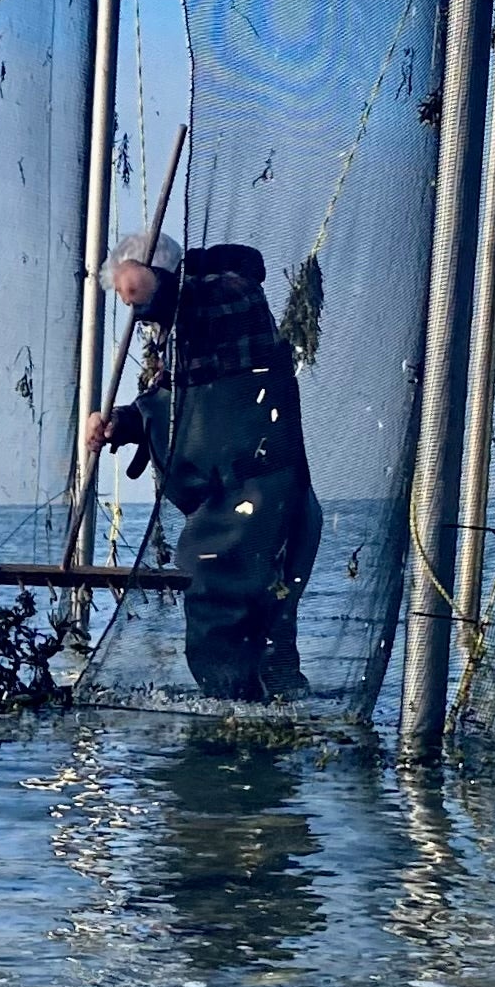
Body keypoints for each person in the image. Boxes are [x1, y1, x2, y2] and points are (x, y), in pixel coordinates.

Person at [83, 228, 321, 699]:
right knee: (256, 620)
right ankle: (263, 713)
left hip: (261, 496)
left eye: (133, 301)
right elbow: (167, 406)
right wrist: (121, 424)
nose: (136, 314)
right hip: (225, 504)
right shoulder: (178, 342)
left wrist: (144, 284)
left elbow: (180, 298)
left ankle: (236, 722)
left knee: (227, 596)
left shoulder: (233, 295)